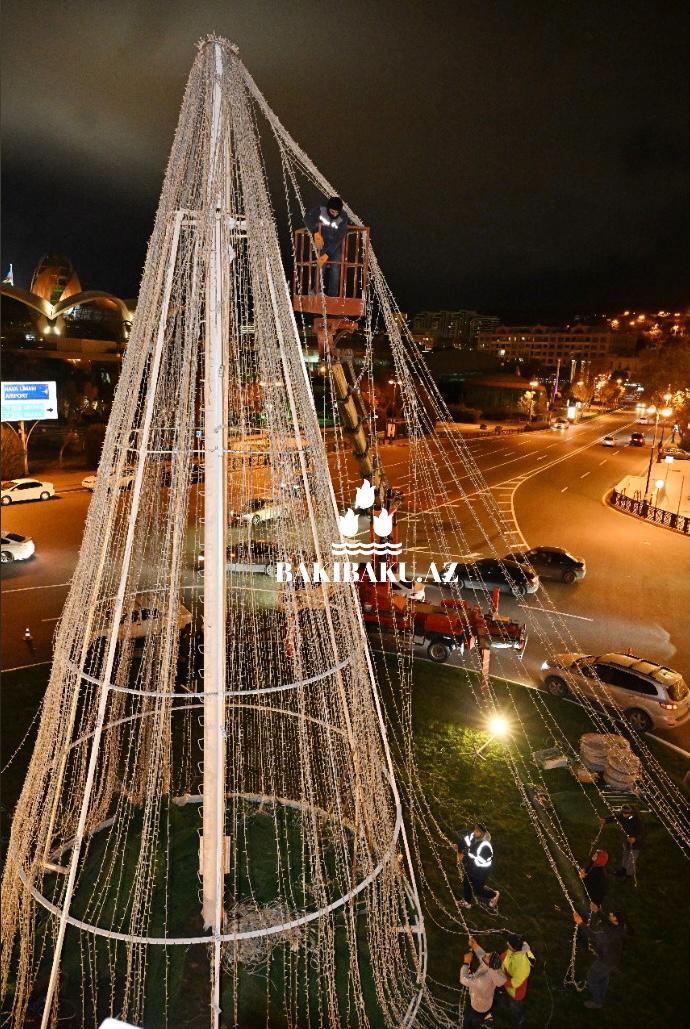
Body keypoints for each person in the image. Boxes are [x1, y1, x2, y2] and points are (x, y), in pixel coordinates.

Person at [573, 908, 628, 1009]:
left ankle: (597, 1002)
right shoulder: (619, 927)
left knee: (592, 978)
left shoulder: (610, 935)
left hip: (605, 960)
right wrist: (598, 911)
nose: (608, 917)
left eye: (611, 916)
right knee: (603, 977)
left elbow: (593, 936)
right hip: (614, 959)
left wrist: (581, 923)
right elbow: (608, 922)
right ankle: (601, 996)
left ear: (616, 919)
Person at [304, 196, 349, 297]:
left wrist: (328, 254)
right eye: (332, 212)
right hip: (322, 241)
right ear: (328, 208)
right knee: (321, 264)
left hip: (335, 245)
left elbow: (339, 237)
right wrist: (315, 233)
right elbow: (307, 218)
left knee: (335, 267)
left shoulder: (343, 217)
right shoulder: (321, 209)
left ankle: (332, 295)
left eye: (337, 213)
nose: (335, 215)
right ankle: (317, 290)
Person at [460, 939, 507, 1026]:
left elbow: (463, 979)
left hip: (478, 1006)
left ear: (489, 964)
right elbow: (483, 957)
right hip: (487, 997)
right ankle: (487, 1015)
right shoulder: (495, 968)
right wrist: (475, 946)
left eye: (488, 956)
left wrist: (466, 963)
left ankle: (480, 1019)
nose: (487, 954)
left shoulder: (481, 981)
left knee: (470, 1021)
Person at [455, 824, 500, 909]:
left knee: (477, 889)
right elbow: (463, 842)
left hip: (482, 870)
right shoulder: (472, 837)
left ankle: (494, 895)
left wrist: (466, 855)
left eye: (478, 831)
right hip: (472, 865)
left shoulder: (485, 846)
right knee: (466, 882)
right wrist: (460, 850)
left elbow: (481, 859)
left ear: (482, 833)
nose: (475, 832)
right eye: (475, 830)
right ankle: (467, 902)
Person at [498, 933, 535, 1027]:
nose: (507, 943)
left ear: (514, 947)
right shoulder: (516, 948)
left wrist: (499, 979)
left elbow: (514, 983)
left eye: (508, 943)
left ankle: (521, 1020)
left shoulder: (522, 966)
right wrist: (501, 958)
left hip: (516, 993)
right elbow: (507, 954)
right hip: (507, 980)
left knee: (515, 1006)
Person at [599, 805, 643, 879]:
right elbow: (614, 818)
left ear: (631, 812)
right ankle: (623, 871)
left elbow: (641, 833)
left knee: (631, 859)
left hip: (636, 844)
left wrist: (635, 838)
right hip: (626, 841)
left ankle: (628, 875)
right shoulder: (622, 817)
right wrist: (605, 820)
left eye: (626, 813)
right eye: (623, 813)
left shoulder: (637, 820)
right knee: (625, 856)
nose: (624, 815)